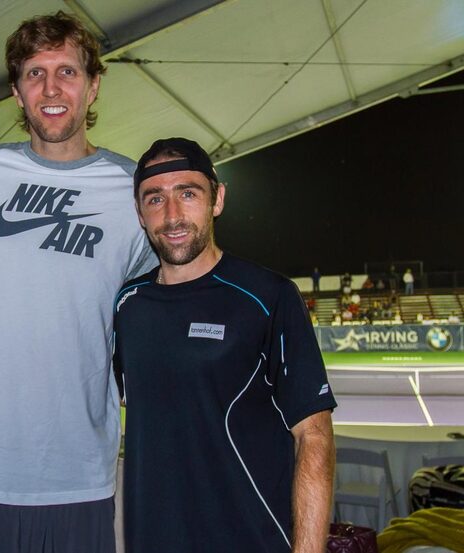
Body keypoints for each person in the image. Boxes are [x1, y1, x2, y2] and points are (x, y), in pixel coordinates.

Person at [0, 11, 156, 553]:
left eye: (66, 71)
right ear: (17, 93)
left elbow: (159, 306)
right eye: (34, 74)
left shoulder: (131, 191)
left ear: (93, 86)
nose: (51, 88)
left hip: (74, 476)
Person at [113, 138, 336, 553]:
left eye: (188, 193)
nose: (173, 215)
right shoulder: (127, 304)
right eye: (155, 199)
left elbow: (314, 437)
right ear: (140, 213)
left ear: (218, 199)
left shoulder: (269, 297)